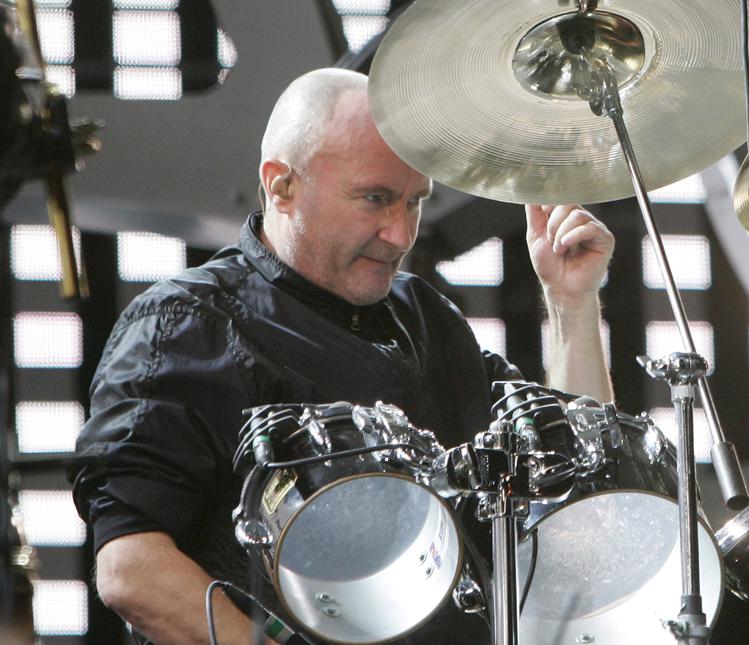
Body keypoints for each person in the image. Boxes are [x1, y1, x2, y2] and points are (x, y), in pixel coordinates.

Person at [70, 68, 614, 645]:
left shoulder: (428, 318)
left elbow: (578, 482)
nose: (400, 233)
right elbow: (132, 568)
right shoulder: (188, 322)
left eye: (415, 202)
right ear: (281, 186)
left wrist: (571, 301)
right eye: (375, 199)